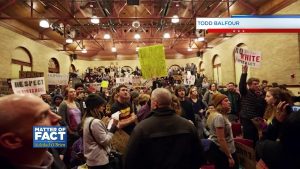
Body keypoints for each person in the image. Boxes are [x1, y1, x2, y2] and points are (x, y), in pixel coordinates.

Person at [124, 88, 205, 169]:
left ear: (155, 104)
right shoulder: (188, 126)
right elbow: (199, 156)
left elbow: (129, 161)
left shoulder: (141, 128)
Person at [0, 94, 61, 169]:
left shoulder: (49, 150)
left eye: (50, 111)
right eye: (42, 116)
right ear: (11, 140)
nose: (58, 117)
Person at [256, 103, 300, 169]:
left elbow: (260, 144)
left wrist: (276, 121)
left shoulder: (271, 149)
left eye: (268, 96)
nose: (265, 98)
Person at [83, 94, 118, 169]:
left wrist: (104, 125)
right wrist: (113, 126)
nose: (103, 108)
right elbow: (105, 141)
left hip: (93, 160)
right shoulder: (95, 122)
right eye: (101, 105)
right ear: (95, 107)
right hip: (99, 161)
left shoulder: (87, 120)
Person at [207, 93, 238, 169]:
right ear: (220, 104)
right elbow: (221, 139)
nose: (229, 102)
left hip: (225, 149)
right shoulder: (219, 116)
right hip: (224, 152)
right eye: (226, 101)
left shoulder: (221, 114)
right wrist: (229, 156)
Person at [239, 65, 266, 145]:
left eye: (258, 84)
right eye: (255, 84)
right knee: (249, 139)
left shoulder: (259, 94)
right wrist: (244, 73)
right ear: (249, 85)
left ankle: (255, 153)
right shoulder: (246, 92)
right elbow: (241, 85)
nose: (257, 85)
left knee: (256, 138)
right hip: (247, 120)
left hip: (256, 120)